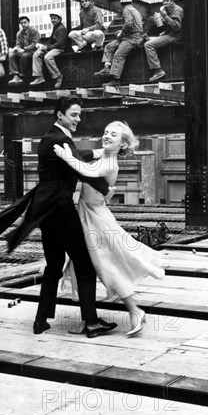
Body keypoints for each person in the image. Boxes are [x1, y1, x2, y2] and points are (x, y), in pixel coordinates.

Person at [0, 96, 117, 339]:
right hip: (61, 211)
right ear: (60, 115)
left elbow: (74, 155)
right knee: (84, 263)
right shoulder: (60, 139)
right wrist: (106, 189)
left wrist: (97, 151)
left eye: (79, 114)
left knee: (54, 265)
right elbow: (79, 167)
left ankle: (40, 320)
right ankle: (92, 322)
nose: (78, 119)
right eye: (74, 114)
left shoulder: (51, 138)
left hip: (46, 213)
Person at [54, 121, 165, 336]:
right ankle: (89, 318)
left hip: (97, 218)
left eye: (113, 135)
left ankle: (134, 310)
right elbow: (88, 154)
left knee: (107, 265)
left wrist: (63, 153)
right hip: (87, 213)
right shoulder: (103, 154)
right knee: (82, 266)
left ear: (122, 144)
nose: (106, 136)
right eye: (105, 132)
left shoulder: (110, 163)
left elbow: (83, 168)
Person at [94, 0, 143, 88]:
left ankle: (115, 80)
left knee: (118, 55)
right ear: (131, 2)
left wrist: (122, 33)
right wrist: (122, 32)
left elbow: (128, 24)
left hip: (132, 39)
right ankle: (107, 68)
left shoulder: (126, 10)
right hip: (129, 37)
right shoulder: (134, 10)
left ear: (121, 3)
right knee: (109, 47)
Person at [144, 0, 184, 82]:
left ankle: (158, 70)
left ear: (172, 1)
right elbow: (169, 26)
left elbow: (176, 27)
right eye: (164, 1)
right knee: (150, 39)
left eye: (167, 1)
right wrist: (161, 23)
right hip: (171, 33)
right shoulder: (167, 10)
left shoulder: (177, 10)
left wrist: (165, 16)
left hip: (175, 35)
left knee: (148, 45)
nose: (165, 3)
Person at [30, 13, 67, 89]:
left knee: (47, 57)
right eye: (52, 18)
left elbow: (60, 43)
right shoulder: (55, 27)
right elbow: (51, 40)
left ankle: (58, 76)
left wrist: (47, 48)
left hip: (59, 49)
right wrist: (44, 46)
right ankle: (39, 77)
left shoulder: (61, 28)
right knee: (36, 54)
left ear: (59, 19)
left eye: (55, 18)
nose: (53, 20)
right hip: (52, 48)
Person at [8, 16, 40, 85]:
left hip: (33, 51)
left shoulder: (34, 31)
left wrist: (24, 49)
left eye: (25, 22)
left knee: (24, 56)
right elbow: (18, 43)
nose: (23, 24)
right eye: (21, 23)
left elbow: (34, 44)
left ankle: (21, 74)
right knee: (11, 55)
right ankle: (15, 75)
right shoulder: (19, 33)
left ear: (28, 22)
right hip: (22, 50)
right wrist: (17, 48)